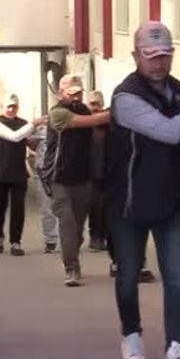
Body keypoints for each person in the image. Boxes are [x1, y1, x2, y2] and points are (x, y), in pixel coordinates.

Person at [106, 21, 180, 359]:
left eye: (165, 56)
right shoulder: (126, 98)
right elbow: (171, 132)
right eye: (151, 56)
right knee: (128, 275)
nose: (159, 63)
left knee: (176, 276)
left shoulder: (178, 90)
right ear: (136, 56)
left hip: (173, 201)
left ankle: (177, 345)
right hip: (130, 202)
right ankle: (131, 335)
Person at [44, 73, 111, 286]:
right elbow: (92, 121)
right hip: (59, 177)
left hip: (82, 177)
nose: (75, 97)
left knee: (78, 228)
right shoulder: (57, 113)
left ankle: (73, 256)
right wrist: (116, 112)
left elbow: (97, 126)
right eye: (71, 93)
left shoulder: (84, 109)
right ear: (60, 93)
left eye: (78, 93)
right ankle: (71, 267)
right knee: (67, 223)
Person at [0, 93, 45, 256]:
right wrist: (34, 124)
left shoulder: (23, 124)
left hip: (19, 172)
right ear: (2, 106)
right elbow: (15, 137)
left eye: (14, 106)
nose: (11, 109)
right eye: (8, 106)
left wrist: (38, 139)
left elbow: (28, 141)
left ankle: (16, 242)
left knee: (18, 209)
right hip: (0, 172)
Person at [27, 117, 59, 254]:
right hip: (44, 172)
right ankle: (50, 240)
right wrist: (34, 125)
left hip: (63, 171)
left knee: (66, 208)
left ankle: (69, 239)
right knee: (47, 208)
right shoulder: (42, 129)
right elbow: (27, 139)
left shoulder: (71, 127)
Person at [85, 90, 110, 254]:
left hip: (107, 171)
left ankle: (104, 237)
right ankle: (95, 237)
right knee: (95, 207)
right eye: (92, 104)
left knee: (106, 207)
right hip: (90, 172)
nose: (95, 107)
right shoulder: (84, 124)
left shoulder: (108, 124)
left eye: (97, 104)